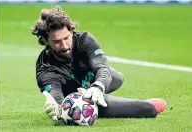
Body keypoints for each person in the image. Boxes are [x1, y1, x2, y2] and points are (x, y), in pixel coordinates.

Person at [31, 6, 167, 123]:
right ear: (45, 40)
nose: (65, 45)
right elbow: (56, 96)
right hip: (76, 100)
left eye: (67, 38)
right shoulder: (45, 68)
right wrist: (58, 107)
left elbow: (102, 66)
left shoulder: (84, 40)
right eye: (57, 42)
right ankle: (101, 100)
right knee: (147, 109)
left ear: (72, 32)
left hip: (92, 86)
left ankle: (94, 90)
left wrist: (97, 87)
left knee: (115, 77)